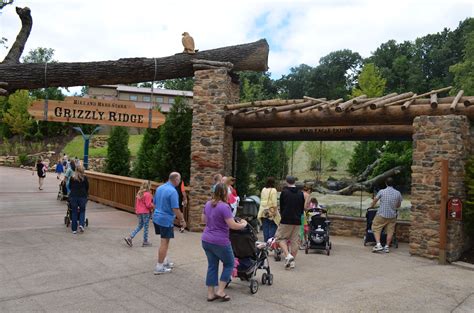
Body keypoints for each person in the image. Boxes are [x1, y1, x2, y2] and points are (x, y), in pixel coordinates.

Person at [201, 183, 247, 302]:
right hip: (220, 241)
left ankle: (210, 293)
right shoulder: (225, 207)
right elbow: (232, 225)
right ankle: (220, 291)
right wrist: (243, 224)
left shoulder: (208, 204)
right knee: (229, 264)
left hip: (206, 239)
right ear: (225, 193)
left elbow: (203, 220)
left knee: (212, 265)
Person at [152, 172, 186, 274]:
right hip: (165, 220)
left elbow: (154, 203)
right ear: (175, 180)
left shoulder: (160, 188)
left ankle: (164, 260)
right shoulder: (173, 191)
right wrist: (182, 220)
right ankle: (159, 267)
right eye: (179, 180)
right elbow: (175, 208)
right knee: (164, 242)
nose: (179, 182)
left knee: (164, 241)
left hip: (157, 217)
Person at [275, 175, 305, 269]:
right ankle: (292, 262)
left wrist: (282, 215)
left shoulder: (284, 192)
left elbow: (282, 206)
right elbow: (301, 207)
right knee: (294, 241)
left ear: (286, 182)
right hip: (297, 220)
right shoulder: (300, 193)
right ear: (294, 182)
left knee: (279, 239)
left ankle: (288, 255)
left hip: (286, 219)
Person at [370, 177, 402, 253]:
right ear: (393, 183)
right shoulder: (398, 193)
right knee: (390, 231)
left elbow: (375, 200)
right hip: (392, 215)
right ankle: (387, 246)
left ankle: (378, 244)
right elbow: (398, 205)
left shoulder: (382, 191)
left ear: (386, 183)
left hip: (381, 214)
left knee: (375, 227)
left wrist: (372, 205)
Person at [124, 181, 155, 247]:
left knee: (140, 225)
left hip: (139, 212)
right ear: (148, 186)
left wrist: (137, 211)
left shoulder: (140, 193)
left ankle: (130, 237)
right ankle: (145, 241)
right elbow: (148, 205)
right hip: (146, 212)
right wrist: (153, 205)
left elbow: (137, 204)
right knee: (146, 227)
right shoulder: (148, 194)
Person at [257, 177, 280, 242]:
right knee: (273, 225)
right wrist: (275, 211)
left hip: (263, 210)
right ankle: (270, 241)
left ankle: (266, 241)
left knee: (265, 227)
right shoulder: (273, 190)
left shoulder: (263, 189)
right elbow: (274, 202)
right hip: (270, 210)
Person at [69, 165, 89, 234]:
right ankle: (81, 224)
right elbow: (87, 187)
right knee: (82, 211)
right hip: (82, 196)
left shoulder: (72, 178)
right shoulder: (85, 178)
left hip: (73, 196)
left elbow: (70, 186)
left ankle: (74, 229)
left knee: (74, 212)